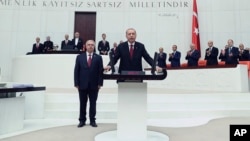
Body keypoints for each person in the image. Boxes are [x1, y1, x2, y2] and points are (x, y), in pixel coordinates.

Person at [74, 40, 103, 128]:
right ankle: (82, 120)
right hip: (82, 84)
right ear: (85, 46)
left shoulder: (98, 57)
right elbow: (76, 71)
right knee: (82, 103)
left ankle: (92, 120)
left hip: (94, 85)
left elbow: (100, 72)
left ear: (94, 46)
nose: (90, 46)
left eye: (92, 45)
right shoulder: (79, 57)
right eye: (89, 45)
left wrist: (100, 83)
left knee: (93, 103)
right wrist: (76, 83)